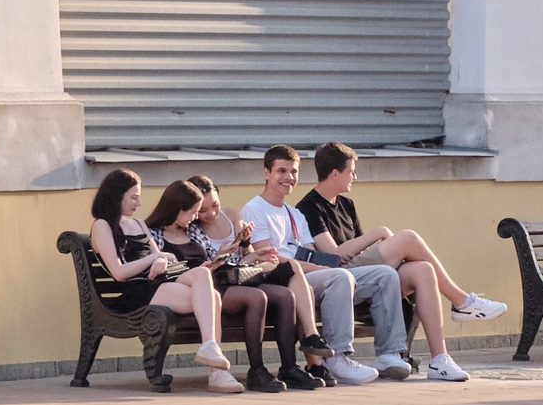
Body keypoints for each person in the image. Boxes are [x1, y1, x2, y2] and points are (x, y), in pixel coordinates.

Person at [295, 141, 508, 383]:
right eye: (351, 171)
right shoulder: (308, 207)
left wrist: (377, 244)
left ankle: (440, 360)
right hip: (338, 277)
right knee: (407, 238)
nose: (355, 175)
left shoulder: (346, 204)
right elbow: (333, 256)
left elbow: (362, 249)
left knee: (423, 270)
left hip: (366, 276)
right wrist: (378, 233)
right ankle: (461, 301)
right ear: (335, 174)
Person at [239, 145, 388, 385]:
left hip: (304, 277)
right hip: (279, 279)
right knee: (339, 278)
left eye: (294, 172)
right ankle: (338, 357)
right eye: (281, 171)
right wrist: (327, 271)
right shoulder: (255, 208)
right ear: (266, 173)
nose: (289, 178)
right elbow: (269, 258)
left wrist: (333, 266)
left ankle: (331, 361)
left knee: (370, 275)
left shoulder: (294, 213)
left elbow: (310, 254)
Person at [86, 168, 239, 392]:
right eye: (134, 197)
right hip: (135, 292)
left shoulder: (138, 224)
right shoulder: (102, 226)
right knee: (212, 297)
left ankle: (211, 354)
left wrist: (162, 260)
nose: (138, 203)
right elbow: (118, 272)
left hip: (157, 283)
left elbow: (164, 257)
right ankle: (218, 372)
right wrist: (154, 258)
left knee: (205, 277)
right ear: (117, 195)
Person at [186, 174, 332, 389]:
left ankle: (292, 365)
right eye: (203, 210)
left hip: (243, 275)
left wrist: (255, 255)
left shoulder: (231, 215)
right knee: (259, 296)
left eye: (215, 205)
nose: (211, 214)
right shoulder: (193, 228)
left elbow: (245, 257)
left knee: (287, 285)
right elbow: (203, 270)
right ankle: (257, 370)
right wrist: (221, 255)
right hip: (219, 282)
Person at [150, 180, 295, 393]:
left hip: (208, 283)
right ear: (177, 209)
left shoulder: (193, 232)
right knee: (254, 297)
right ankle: (247, 369)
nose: (197, 217)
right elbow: (153, 264)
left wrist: (241, 253)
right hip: (180, 287)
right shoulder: (155, 234)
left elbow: (213, 264)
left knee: (282, 293)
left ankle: (285, 368)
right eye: (194, 212)